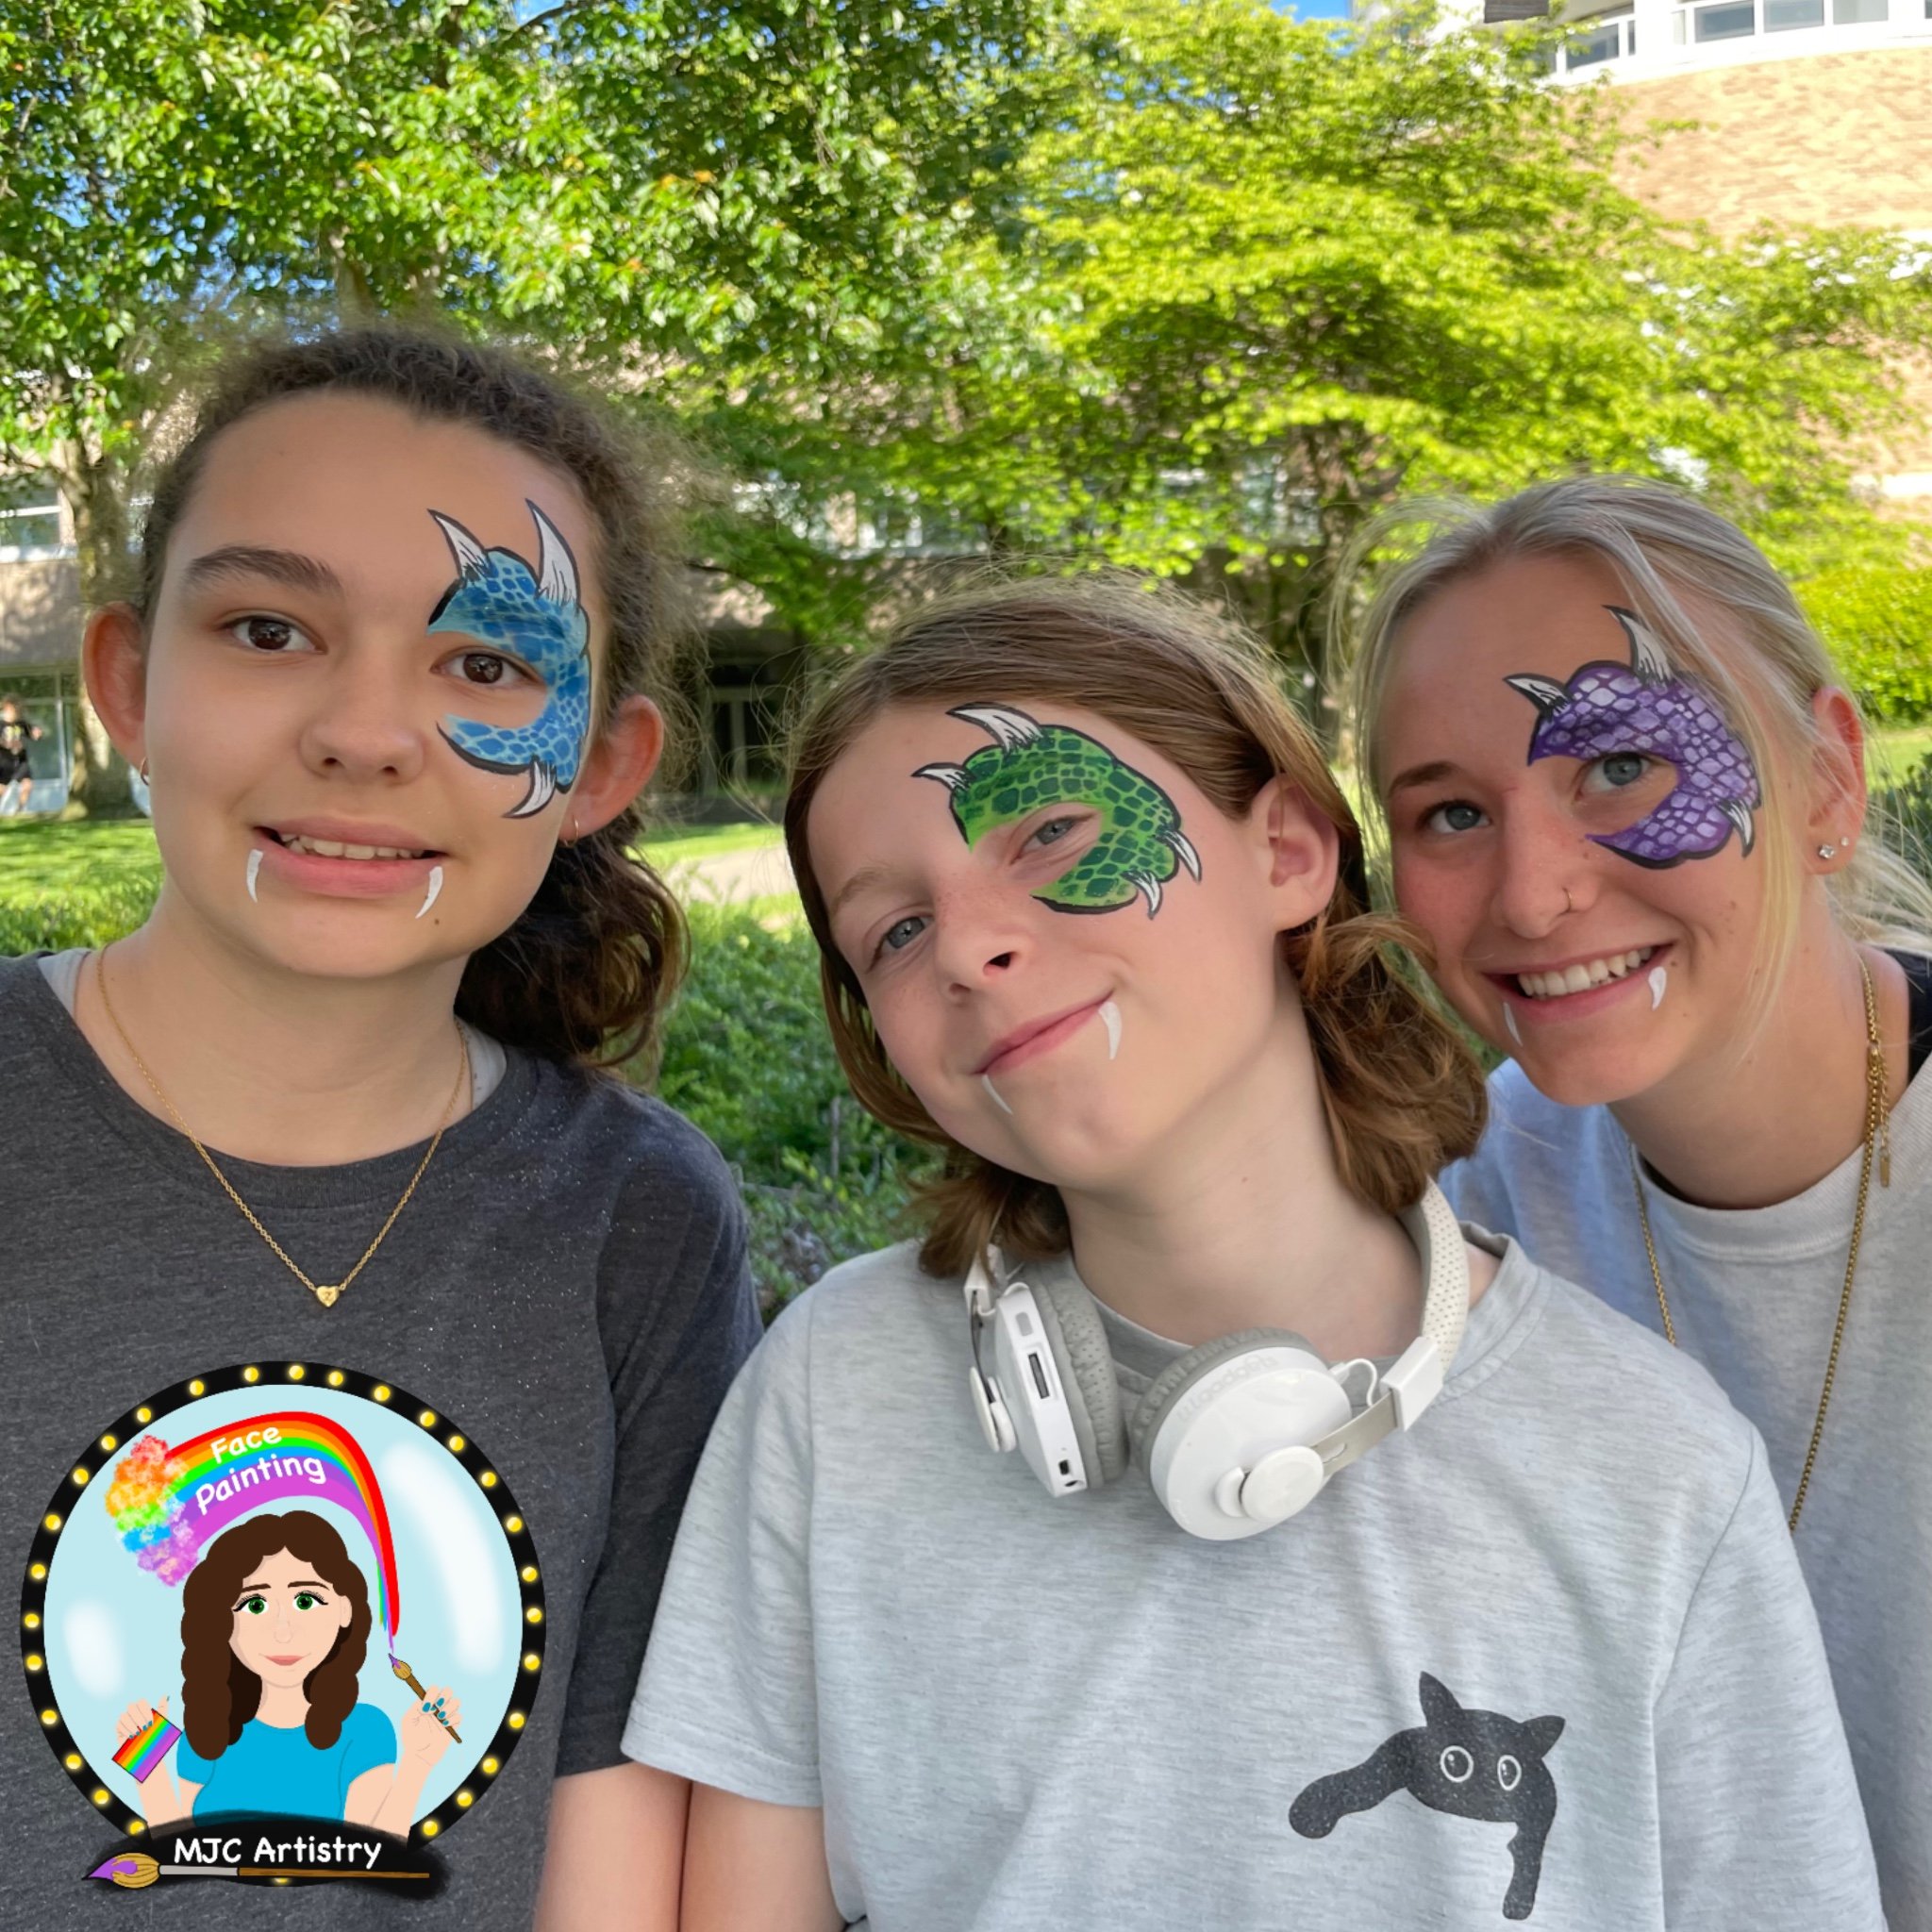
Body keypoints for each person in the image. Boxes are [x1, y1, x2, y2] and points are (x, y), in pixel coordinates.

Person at [623, 575, 1881, 1930]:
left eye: (1052, 833)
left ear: (1288, 850)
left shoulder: (1658, 1471)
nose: (974, 948)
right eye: (897, 930)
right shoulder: (834, 1393)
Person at [0, 327, 759, 1930]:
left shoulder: (640, 1221)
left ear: (602, 767)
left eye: (486, 663)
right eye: (269, 627)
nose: (363, 731)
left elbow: (609, 1812)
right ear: (130, 683)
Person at [1344, 473, 1932, 1928]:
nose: (1534, 896)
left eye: (1619, 769)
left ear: (1828, 782)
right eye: (1454, 812)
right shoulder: (1468, 1212)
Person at [115, 1510, 458, 1830]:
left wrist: (418, 1764)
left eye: (305, 1601)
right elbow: (181, 1857)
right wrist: (147, 1761)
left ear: (344, 1610)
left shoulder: (366, 1731)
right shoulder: (206, 1730)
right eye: (255, 1604)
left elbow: (370, 1859)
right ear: (222, 1622)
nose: (282, 1631)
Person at [0, 691, 44, 814]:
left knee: (27, 785)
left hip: (21, 761)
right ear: (7, 707)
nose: (16, 713)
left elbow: (33, 734)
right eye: (14, 709)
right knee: (2, 789)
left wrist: (37, 734)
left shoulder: (22, 724)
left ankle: (19, 812)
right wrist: (6, 744)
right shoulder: (1, 724)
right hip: (4, 761)